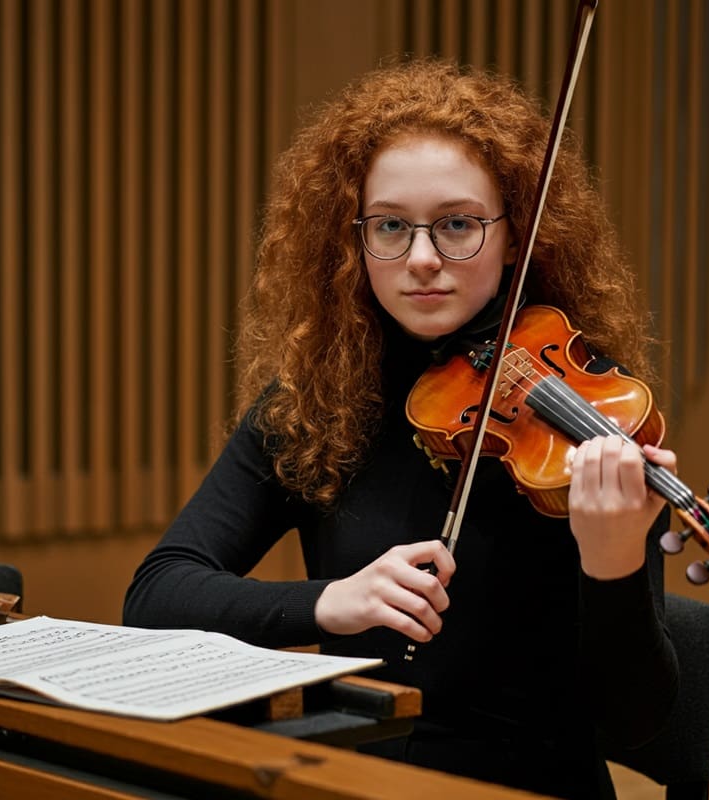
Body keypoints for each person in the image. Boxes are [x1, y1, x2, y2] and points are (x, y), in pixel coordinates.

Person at [124, 58, 679, 799]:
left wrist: (612, 562)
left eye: (457, 224)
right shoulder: (316, 401)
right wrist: (328, 603)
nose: (422, 261)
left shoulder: (586, 417)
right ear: (356, 239)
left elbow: (633, 724)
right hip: (348, 777)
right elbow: (157, 594)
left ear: (517, 236)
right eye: (390, 226)